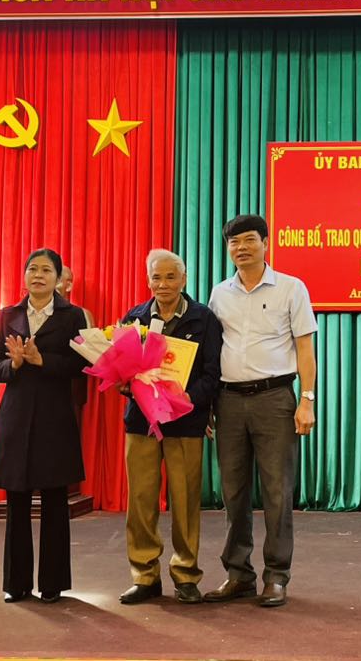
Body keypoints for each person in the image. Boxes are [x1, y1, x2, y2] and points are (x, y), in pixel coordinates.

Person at [205, 214, 318, 608]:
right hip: (228, 400)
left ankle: (276, 576)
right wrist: (207, 403)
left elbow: (305, 348)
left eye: (249, 240)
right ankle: (239, 575)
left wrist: (307, 400)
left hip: (275, 399)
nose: (241, 248)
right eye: (234, 242)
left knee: (277, 491)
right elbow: (212, 351)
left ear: (266, 243)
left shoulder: (291, 288)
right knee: (233, 491)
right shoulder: (220, 294)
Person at [117, 249, 222, 605]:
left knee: (186, 501)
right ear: (148, 280)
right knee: (141, 500)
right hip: (141, 423)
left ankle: (186, 575)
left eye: (170, 277)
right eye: (156, 277)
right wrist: (124, 384)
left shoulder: (203, 319)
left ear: (184, 279)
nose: (163, 284)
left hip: (185, 423)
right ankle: (144, 575)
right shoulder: (135, 318)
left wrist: (187, 398)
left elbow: (213, 374)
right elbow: (121, 369)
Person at [0, 248, 89, 604]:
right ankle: (16, 584)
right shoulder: (7, 315)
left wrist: (43, 360)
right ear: (25, 275)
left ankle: (52, 584)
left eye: (46, 270)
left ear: (58, 278)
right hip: (16, 418)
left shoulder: (73, 316)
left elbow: (82, 366)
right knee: (16, 502)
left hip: (55, 419)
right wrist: (13, 365)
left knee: (55, 502)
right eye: (32, 269)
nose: (38, 275)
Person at [56, 265, 94, 416]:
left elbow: (91, 353)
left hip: (71, 388)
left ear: (69, 285)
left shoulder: (83, 314)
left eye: (58, 279)